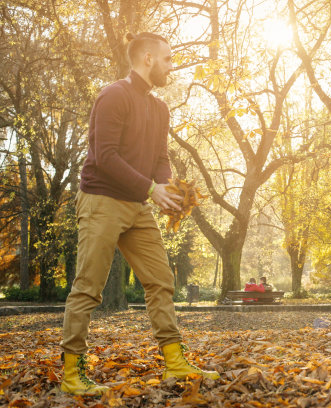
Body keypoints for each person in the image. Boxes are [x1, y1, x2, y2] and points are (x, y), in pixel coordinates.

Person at [60, 32, 220, 396]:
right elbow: (106, 156)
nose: (171, 66)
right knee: (88, 288)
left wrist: (168, 189)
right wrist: (151, 189)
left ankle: (175, 360)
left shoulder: (159, 108)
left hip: (138, 205)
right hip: (101, 200)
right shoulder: (114, 95)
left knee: (161, 280)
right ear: (147, 59)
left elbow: (160, 159)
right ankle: (72, 372)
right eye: (167, 59)